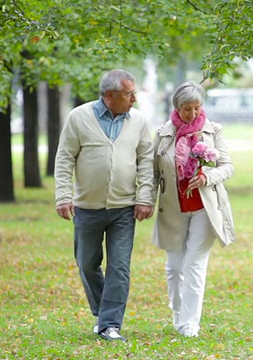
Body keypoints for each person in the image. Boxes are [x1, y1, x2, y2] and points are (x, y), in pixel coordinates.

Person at [54, 69, 155, 342]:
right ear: (110, 96)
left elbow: (147, 161)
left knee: (119, 267)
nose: (134, 98)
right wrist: (63, 196)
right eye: (129, 94)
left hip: (125, 207)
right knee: (87, 263)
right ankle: (103, 314)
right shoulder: (79, 117)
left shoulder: (139, 122)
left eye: (134, 92)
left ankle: (110, 324)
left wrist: (146, 197)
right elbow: (64, 159)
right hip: (87, 207)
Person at [151, 81, 236, 337]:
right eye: (187, 108)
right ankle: (177, 310)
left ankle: (190, 323)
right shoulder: (163, 134)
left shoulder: (213, 131)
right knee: (175, 267)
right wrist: (144, 202)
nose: (193, 114)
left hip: (204, 208)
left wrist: (208, 177)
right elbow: (154, 175)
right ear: (177, 107)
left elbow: (227, 166)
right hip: (173, 208)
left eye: (197, 107)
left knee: (194, 264)